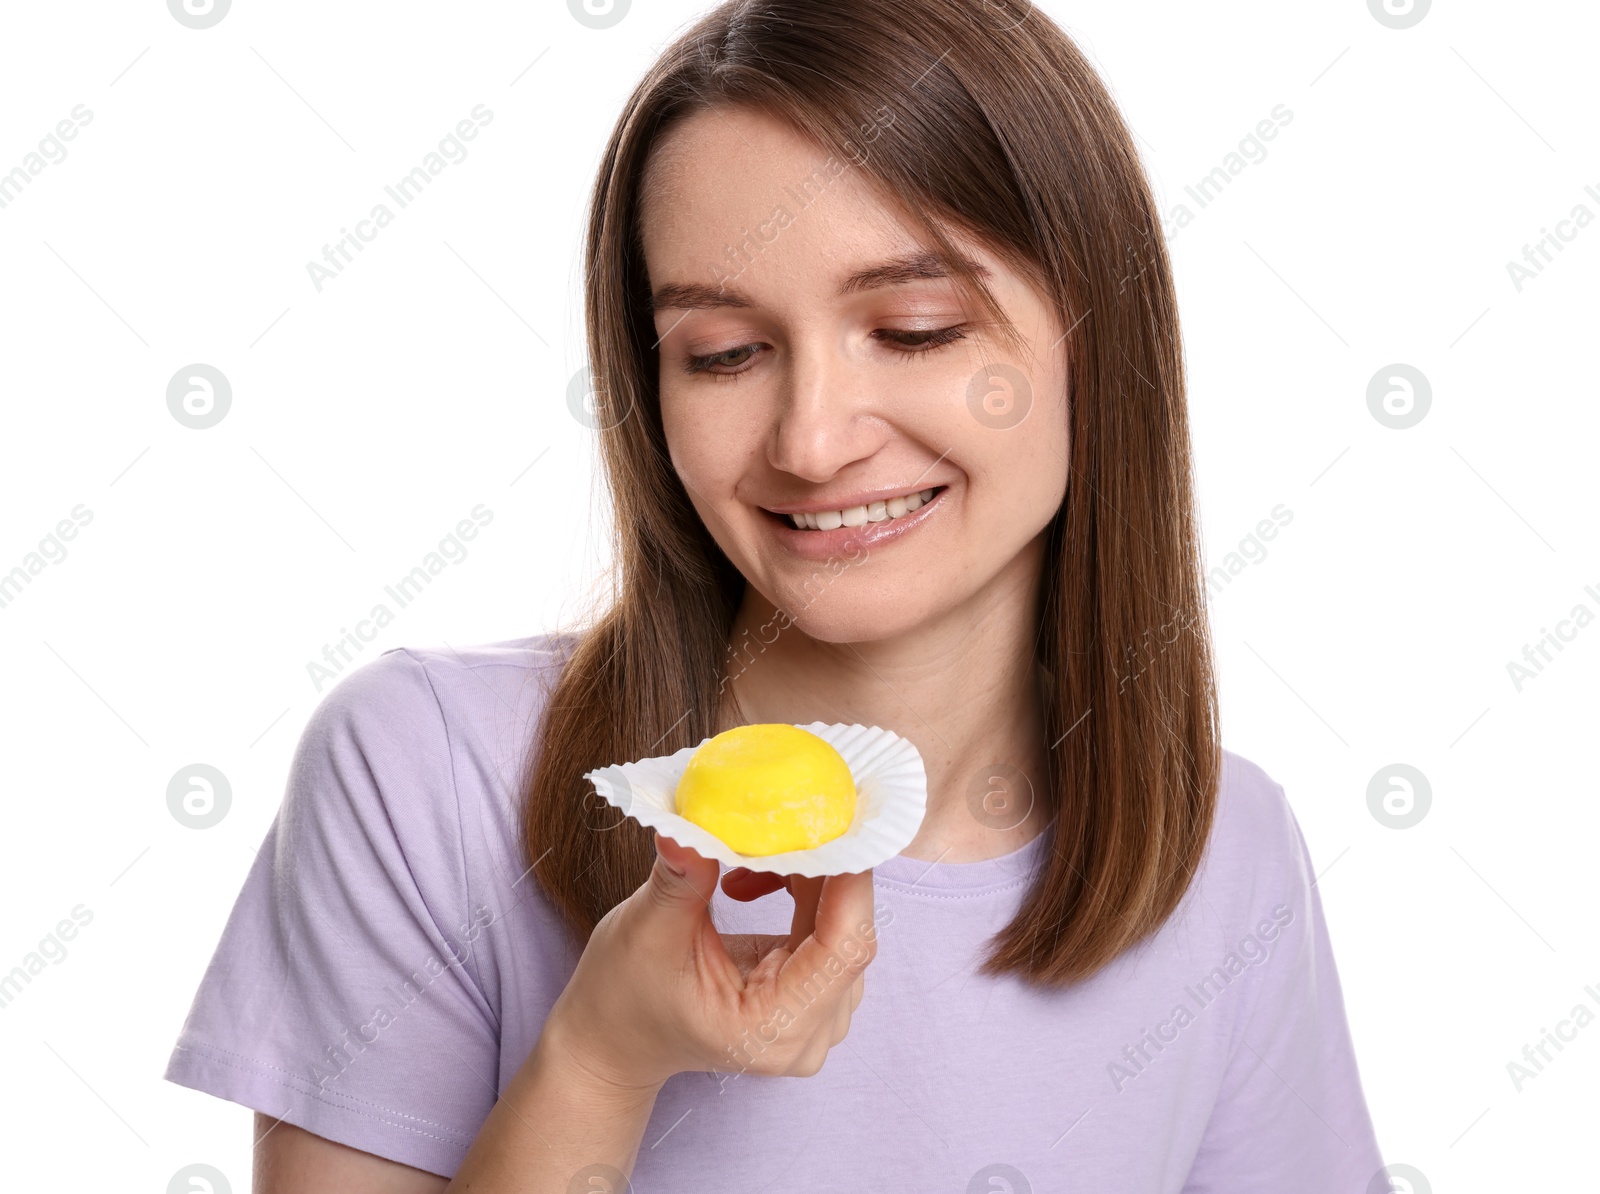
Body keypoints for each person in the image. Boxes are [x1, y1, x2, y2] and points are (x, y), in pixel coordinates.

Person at [163, 0, 1386, 1188]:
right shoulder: (426, 773)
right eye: (724, 354)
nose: (810, 440)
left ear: (1094, 337)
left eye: (911, 329)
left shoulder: (1224, 851)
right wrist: (598, 1064)